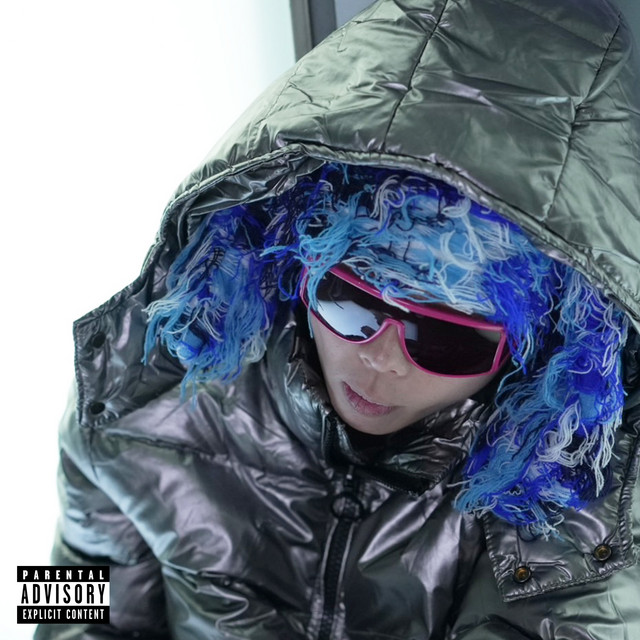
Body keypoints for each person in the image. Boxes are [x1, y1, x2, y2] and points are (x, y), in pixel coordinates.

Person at [37, 0, 640, 638]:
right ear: (299, 260)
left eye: (446, 338)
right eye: (349, 299)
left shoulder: (589, 493)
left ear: (543, 348)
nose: (381, 356)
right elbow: (66, 594)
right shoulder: (132, 386)